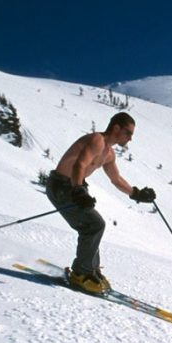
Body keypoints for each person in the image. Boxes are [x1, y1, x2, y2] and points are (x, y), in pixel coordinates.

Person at [46, 112, 156, 293]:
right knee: (94, 224)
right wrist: (78, 190)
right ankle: (81, 273)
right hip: (61, 185)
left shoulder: (109, 153)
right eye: (128, 133)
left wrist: (137, 194)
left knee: (92, 225)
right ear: (116, 128)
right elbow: (79, 165)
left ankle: (91, 269)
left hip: (74, 187)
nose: (130, 138)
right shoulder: (97, 140)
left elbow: (116, 179)